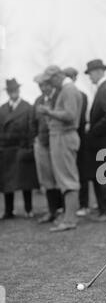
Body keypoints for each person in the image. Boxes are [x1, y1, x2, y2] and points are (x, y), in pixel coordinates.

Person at [37, 66, 83, 232]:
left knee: (68, 180)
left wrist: (49, 112)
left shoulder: (69, 90)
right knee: (65, 179)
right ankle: (68, 217)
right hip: (60, 137)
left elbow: (70, 115)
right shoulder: (65, 90)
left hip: (65, 137)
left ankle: (70, 220)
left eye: (50, 81)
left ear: (57, 77)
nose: (49, 84)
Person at [85, 59, 106, 222]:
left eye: (90, 73)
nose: (89, 77)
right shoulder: (103, 89)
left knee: (105, 179)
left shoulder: (105, 90)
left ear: (99, 72)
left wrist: (93, 130)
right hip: (103, 143)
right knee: (104, 178)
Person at [0, 78, 39, 219]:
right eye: (10, 90)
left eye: (15, 90)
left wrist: (29, 147)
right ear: (8, 92)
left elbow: (31, 128)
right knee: (6, 183)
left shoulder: (27, 107)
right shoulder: (2, 109)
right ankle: (8, 211)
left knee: (25, 181)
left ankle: (29, 209)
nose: (13, 93)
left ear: (19, 90)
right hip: (6, 149)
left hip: (21, 148)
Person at [32, 73, 63, 223]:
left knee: (60, 176)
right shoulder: (38, 101)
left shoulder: (58, 97)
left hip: (57, 142)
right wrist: (36, 138)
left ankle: (63, 210)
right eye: (40, 86)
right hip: (42, 143)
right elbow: (33, 122)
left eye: (45, 85)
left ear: (51, 84)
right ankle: (52, 211)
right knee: (47, 178)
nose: (43, 88)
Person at [63, 67, 89, 216]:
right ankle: (70, 206)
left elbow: (78, 119)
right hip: (67, 139)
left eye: (70, 76)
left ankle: (83, 204)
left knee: (81, 172)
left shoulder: (81, 95)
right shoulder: (62, 95)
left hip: (78, 137)